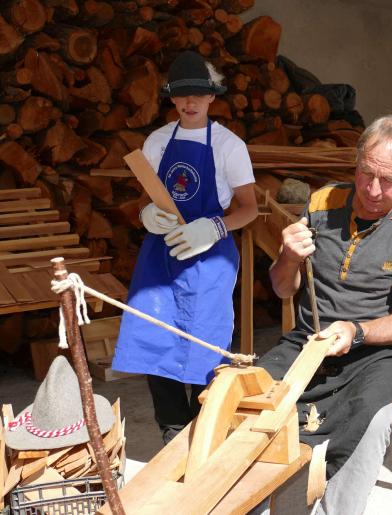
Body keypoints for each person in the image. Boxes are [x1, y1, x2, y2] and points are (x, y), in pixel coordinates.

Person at [257, 115, 392, 514]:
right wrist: (287, 256)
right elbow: (282, 288)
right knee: (252, 403)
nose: (373, 190)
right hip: (310, 340)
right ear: (356, 164)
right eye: (366, 174)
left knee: (371, 421)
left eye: (388, 180)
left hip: (379, 350)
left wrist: (355, 331)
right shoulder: (323, 202)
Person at [112, 51, 258, 444]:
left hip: (210, 258)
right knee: (155, 339)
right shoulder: (158, 141)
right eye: (181, 96)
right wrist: (146, 215)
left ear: (212, 98)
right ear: (172, 99)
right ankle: (172, 433)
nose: (189, 103)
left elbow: (249, 209)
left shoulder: (229, 146)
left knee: (206, 346)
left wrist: (212, 227)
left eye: (198, 95)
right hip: (162, 256)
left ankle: (207, 433)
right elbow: (150, 197)